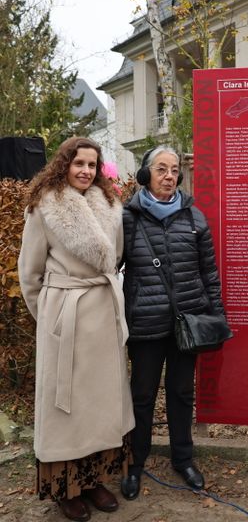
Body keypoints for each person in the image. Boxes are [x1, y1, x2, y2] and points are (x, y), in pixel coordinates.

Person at [18, 137, 135, 522]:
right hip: (65, 319)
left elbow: (114, 258)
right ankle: (64, 489)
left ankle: (94, 481)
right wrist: (50, 318)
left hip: (101, 315)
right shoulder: (44, 207)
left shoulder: (111, 206)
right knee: (65, 408)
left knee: (98, 406)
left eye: (92, 164)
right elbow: (29, 275)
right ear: (64, 164)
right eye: (78, 163)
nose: (85, 171)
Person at [120, 146, 225, 500]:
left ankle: (183, 458)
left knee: (182, 393)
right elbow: (108, 268)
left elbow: (209, 273)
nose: (169, 176)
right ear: (145, 174)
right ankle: (135, 464)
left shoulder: (194, 217)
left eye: (174, 169)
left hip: (187, 323)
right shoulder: (127, 218)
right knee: (142, 396)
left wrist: (216, 314)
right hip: (145, 325)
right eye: (161, 169)